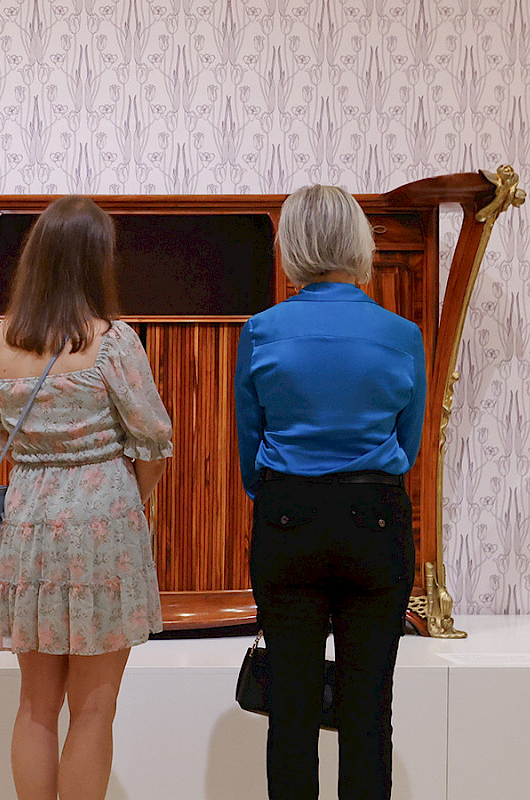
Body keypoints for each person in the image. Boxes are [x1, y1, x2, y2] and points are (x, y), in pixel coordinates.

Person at [0, 196, 173, 800]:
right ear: (95, 261)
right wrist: (127, 501)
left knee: (35, 706)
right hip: (102, 526)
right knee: (93, 710)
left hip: (28, 521)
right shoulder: (114, 343)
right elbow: (155, 439)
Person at [235, 184, 426, 800]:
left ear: (290, 245)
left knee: (290, 711)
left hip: (289, 517)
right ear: (358, 243)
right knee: (369, 711)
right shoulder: (401, 335)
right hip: (375, 519)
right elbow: (410, 444)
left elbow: (249, 448)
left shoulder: (262, 331)